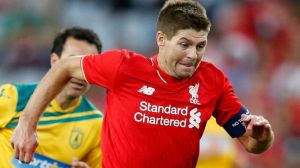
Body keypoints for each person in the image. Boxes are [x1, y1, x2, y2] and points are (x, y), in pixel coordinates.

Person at [11, 0, 274, 167]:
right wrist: (27, 124)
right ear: (162, 39)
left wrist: (263, 137)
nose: (193, 55)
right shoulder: (124, 67)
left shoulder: (213, 80)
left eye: (200, 45)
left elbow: (251, 144)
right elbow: (66, 66)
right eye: (184, 44)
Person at [0, 27, 103, 168]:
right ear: (55, 61)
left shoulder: (96, 123)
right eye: (72, 63)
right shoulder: (13, 97)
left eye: (87, 65)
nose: (80, 73)